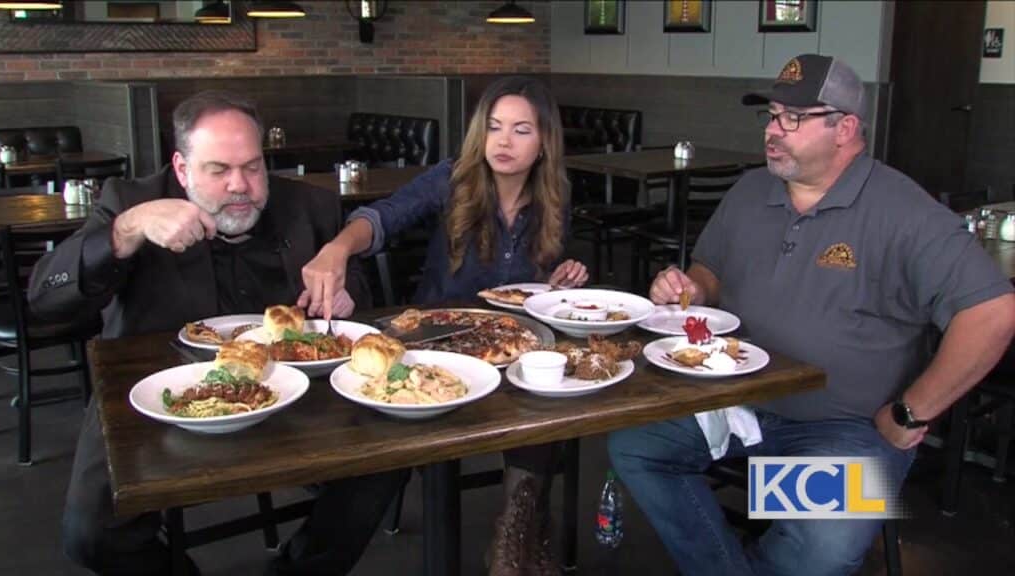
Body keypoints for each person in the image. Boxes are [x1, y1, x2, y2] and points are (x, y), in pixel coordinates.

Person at [609, 54, 1015, 576]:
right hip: (737, 405)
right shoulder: (751, 190)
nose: (773, 131)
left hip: (845, 431)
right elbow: (709, 272)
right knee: (634, 446)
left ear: (845, 128)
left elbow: (994, 312)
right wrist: (689, 288)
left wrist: (911, 414)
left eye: (793, 119)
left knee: (825, 544)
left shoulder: (903, 211)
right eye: (772, 115)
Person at [28, 91, 407, 576]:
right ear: (182, 170)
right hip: (155, 393)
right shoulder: (131, 202)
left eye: (252, 167)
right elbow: (44, 300)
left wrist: (346, 294)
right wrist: (127, 230)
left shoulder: (310, 205)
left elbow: (352, 298)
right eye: (218, 170)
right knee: (90, 533)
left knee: (387, 456)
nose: (240, 186)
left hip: (292, 391)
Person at [298, 76, 588, 575]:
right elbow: (383, 216)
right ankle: (313, 561)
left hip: (511, 346)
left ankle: (514, 535)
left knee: (547, 390)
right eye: (494, 127)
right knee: (378, 434)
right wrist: (337, 248)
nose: (503, 141)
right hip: (435, 343)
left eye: (521, 130)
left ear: (544, 143)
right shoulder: (452, 178)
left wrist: (565, 276)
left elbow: (542, 284)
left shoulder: (554, 194)